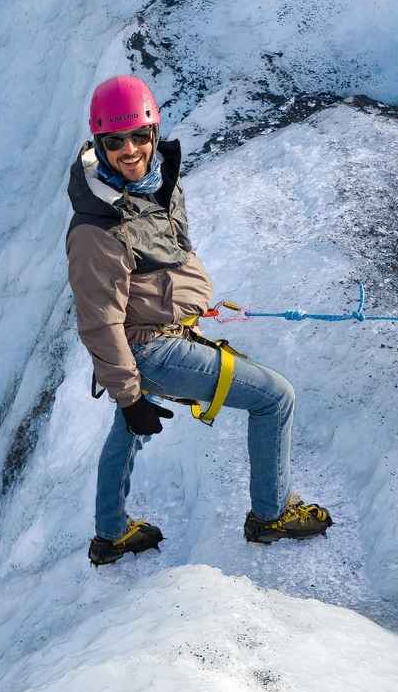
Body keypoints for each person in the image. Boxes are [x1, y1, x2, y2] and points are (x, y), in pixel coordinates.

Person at [65, 75, 333, 566]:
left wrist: (184, 304)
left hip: (163, 332)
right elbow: (99, 323)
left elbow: (162, 261)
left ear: (154, 132)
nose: (130, 150)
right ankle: (271, 515)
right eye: (115, 141)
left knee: (129, 431)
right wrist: (128, 395)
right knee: (275, 398)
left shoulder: (153, 184)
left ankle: (112, 534)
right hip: (150, 348)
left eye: (139, 136)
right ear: (98, 143)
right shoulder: (96, 229)